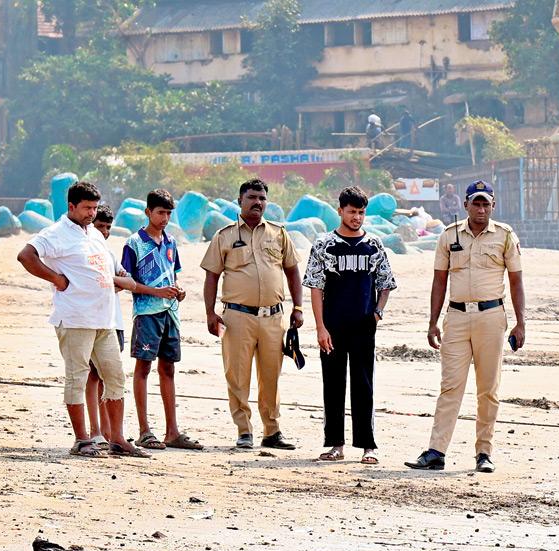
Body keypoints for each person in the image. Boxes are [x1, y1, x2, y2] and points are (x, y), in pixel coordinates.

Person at [17, 181, 149, 458]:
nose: (91, 213)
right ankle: (82, 439)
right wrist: (55, 278)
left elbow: (107, 269)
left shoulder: (94, 234)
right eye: (87, 208)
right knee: (76, 378)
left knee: (114, 377)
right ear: (71, 206)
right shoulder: (55, 233)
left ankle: (117, 438)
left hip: (104, 319)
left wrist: (119, 279)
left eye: (94, 208)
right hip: (75, 317)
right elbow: (26, 256)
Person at [405, 181, 525, 473]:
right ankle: (436, 451)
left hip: (491, 317)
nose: (481, 209)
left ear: (493, 206)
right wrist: (432, 322)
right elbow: (439, 281)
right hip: (456, 318)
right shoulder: (448, 236)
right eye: (476, 203)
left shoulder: (505, 236)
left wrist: (521, 323)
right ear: (466, 205)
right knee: (450, 387)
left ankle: (484, 453)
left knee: (488, 389)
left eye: (486, 204)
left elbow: (516, 281)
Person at [200, 178, 304, 450]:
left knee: (271, 376)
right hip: (237, 318)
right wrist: (210, 313)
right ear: (240, 201)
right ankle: (244, 431)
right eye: (252, 198)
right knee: (237, 375)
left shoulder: (279, 234)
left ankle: (272, 431)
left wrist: (299, 307)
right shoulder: (224, 236)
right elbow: (212, 276)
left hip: (274, 318)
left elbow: (292, 271)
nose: (258, 202)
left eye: (262, 198)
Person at [303, 186, 397, 464]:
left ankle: (368, 445)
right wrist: (320, 327)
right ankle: (335, 445)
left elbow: (386, 283)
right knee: (332, 385)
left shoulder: (374, 245)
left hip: (363, 327)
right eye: (352, 212)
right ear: (340, 210)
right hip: (332, 326)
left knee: (364, 384)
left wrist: (378, 312)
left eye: (361, 212)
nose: (357, 217)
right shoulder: (324, 245)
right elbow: (316, 288)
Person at [122, 189, 202, 451]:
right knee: (143, 368)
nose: (165, 218)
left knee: (168, 369)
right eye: (160, 213)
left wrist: (179, 290)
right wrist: (156, 292)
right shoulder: (133, 243)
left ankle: (172, 431)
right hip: (146, 314)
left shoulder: (170, 242)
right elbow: (127, 282)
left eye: (168, 213)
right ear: (148, 212)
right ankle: (145, 430)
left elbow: (173, 273)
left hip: (170, 314)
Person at [83, 204, 125, 451]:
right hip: (93, 321)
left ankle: (110, 430)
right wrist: (114, 283)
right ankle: (95, 429)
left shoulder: (108, 253)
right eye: (100, 226)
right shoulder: (88, 250)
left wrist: (114, 283)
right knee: (93, 376)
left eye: (108, 227)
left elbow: (123, 278)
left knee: (110, 376)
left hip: (113, 321)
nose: (105, 231)